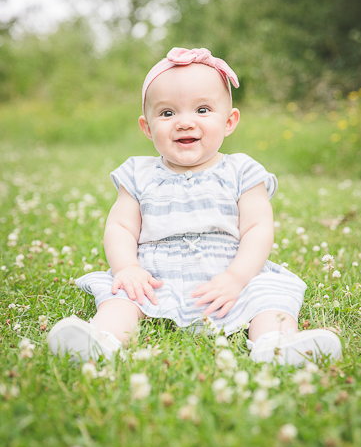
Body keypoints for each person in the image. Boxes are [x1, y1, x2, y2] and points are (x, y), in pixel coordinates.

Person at [47, 47, 341, 366]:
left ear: (229, 121)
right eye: (168, 113)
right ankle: (102, 339)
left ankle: (276, 342)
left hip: (230, 272)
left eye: (202, 110)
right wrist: (127, 268)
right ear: (147, 127)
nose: (185, 123)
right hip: (154, 275)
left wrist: (237, 278)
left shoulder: (243, 171)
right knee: (122, 298)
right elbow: (120, 226)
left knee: (269, 296)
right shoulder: (137, 173)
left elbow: (258, 229)